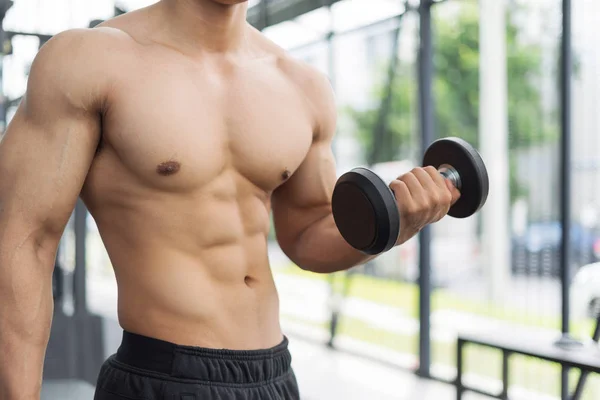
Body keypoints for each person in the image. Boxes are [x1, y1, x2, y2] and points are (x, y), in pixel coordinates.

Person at [0, 1, 460, 399]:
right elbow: (24, 244)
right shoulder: (90, 62)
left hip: (274, 376)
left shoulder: (301, 85)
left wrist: (394, 225)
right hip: (161, 377)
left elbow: (308, 233)